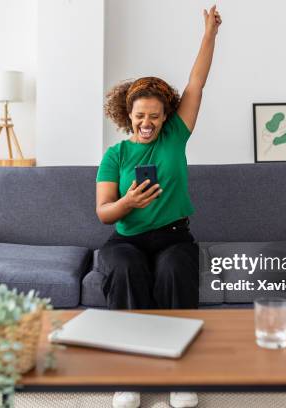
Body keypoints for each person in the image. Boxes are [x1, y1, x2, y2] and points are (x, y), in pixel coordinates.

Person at [95, 5, 221, 408]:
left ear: (166, 116)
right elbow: (103, 213)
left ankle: (178, 374)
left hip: (173, 237)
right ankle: (130, 374)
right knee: (123, 267)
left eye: (154, 116)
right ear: (127, 116)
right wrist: (127, 202)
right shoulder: (114, 155)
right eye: (139, 116)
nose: (146, 123)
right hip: (126, 238)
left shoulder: (175, 137)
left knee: (174, 268)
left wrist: (209, 34)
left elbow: (196, 83)